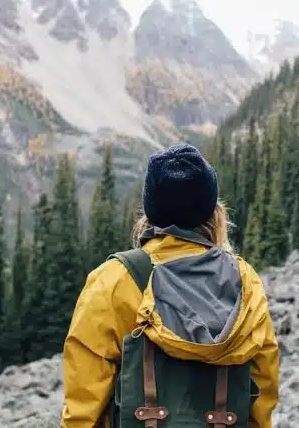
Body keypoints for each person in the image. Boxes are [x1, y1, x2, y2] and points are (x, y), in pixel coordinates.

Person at [60, 143, 280, 427]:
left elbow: (83, 402)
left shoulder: (113, 280)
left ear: (150, 212)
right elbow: (263, 385)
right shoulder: (245, 281)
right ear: (213, 211)